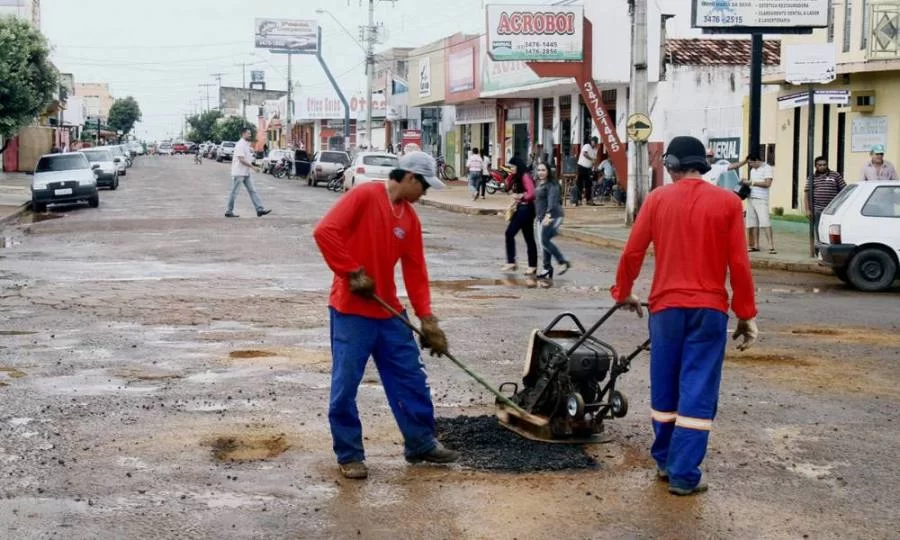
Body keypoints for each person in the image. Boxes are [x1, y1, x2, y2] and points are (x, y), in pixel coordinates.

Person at [611, 135, 759, 497]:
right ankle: (683, 473)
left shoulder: (658, 199)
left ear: (672, 166)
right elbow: (739, 264)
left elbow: (633, 251)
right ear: (702, 165)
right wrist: (745, 314)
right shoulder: (726, 203)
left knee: (665, 383)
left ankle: (664, 460)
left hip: (665, 309)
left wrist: (623, 292)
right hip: (708, 311)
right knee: (698, 388)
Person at [312, 151, 460, 480]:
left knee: (410, 377)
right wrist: (352, 272)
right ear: (409, 178)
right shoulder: (365, 195)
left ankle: (420, 443)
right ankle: (349, 454)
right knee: (345, 386)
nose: (425, 193)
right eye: (424, 186)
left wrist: (427, 318)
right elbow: (325, 232)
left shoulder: (409, 219)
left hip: (389, 311)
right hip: (351, 310)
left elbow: (415, 270)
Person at [533, 162, 570, 285]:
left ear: (548, 171)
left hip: (553, 216)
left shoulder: (552, 185)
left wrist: (548, 215)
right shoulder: (539, 183)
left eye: (543, 170)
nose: (541, 172)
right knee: (543, 244)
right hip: (541, 217)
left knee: (544, 241)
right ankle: (546, 269)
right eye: (539, 170)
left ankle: (562, 262)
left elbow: (552, 202)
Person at [502, 156, 538, 276]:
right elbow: (507, 187)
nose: (511, 169)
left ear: (518, 166)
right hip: (523, 208)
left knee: (510, 233)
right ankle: (532, 266)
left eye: (512, 167)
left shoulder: (525, 176)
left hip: (525, 209)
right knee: (529, 238)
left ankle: (511, 261)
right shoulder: (518, 177)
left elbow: (532, 193)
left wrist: (521, 196)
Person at [225, 128, 271, 218]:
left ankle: (259, 209)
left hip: (246, 172)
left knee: (252, 190)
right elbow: (241, 160)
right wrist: (253, 167)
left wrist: (252, 166)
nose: (250, 135)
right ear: (243, 134)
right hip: (239, 172)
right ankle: (229, 211)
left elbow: (247, 158)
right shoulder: (240, 145)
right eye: (248, 133)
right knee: (234, 192)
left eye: (250, 133)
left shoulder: (246, 145)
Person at [805, 156, 846, 241]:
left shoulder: (835, 175)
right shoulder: (812, 178)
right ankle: (819, 247)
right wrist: (808, 209)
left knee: (832, 229)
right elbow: (807, 194)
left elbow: (844, 190)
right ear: (816, 166)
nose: (822, 166)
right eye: (820, 165)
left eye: (824, 164)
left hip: (832, 209)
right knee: (819, 229)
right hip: (817, 209)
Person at [742, 154, 775, 254]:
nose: (750, 165)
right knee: (751, 223)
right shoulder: (752, 170)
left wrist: (751, 183)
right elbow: (752, 184)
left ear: (756, 160)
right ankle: (754, 245)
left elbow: (767, 184)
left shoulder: (767, 168)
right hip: (751, 198)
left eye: (751, 162)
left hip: (761, 199)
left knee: (765, 221)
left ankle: (771, 246)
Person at [575, 136, 599, 205]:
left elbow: (595, 160)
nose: (594, 143)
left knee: (589, 184)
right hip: (581, 167)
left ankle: (588, 200)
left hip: (588, 168)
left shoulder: (595, 150)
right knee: (580, 184)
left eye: (596, 142)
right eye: (594, 141)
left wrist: (595, 167)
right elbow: (584, 154)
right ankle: (578, 200)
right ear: (591, 141)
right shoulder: (587, 146)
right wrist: (591, 159)